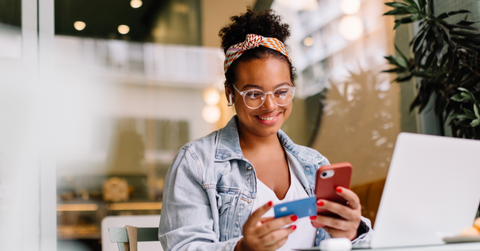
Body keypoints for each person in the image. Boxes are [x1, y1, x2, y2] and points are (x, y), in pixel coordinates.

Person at [159, 8, 372, 251]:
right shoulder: (196, 163)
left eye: (281, 91)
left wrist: (352, 233)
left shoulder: (315, 164)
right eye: (253, 94)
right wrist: (242, 249)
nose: (270, 105)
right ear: (230, 92)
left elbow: (353, 243)